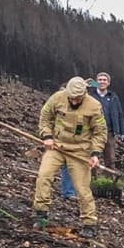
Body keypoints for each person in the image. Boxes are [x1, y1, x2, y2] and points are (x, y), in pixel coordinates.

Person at [33, 77, 106, 237]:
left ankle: (89, 223)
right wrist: (46, 136)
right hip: (57, 146)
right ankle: (41, 214)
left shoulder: (94, 106)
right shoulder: (57, 98)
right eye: (71, 97)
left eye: (77, 98)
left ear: (84, 94)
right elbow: (45, 117)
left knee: (82, 188)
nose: (74, 101)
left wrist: (95, 153)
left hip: (80, 150)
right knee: (44, 176)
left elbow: (100, 132)